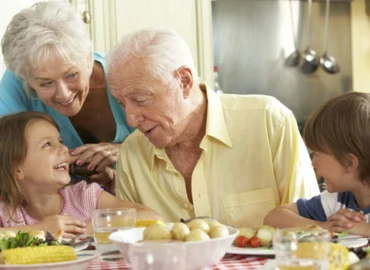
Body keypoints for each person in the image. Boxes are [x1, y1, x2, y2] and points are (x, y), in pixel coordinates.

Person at [106, 28, 319, 228]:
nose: (131, 120)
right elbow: (131, 250)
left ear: (184, 82)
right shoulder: (132, 153)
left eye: (141, 99)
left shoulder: (269, 121)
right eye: (122, 104)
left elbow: (309, 231)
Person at [0, 1, 134, 191]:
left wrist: (127, 151)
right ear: (27, 79)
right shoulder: (17, 82)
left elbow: (179, 142)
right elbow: (6, 159)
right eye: (46, 83)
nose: (64, 94)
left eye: (72, 75)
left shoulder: (126, 77)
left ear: (87, 59)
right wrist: (81, 165)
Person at [0, 111, 161, 238]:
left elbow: (152, 216)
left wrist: (88, 229)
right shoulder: (6, 212)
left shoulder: (85, 196)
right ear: (17, 169)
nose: (64, 149)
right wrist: (39, 230)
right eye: (47, 144)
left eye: (60, 141)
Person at [264, 92, 370, 237]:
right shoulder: (336, 200)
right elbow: (273, 218)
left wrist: (366, 230)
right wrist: (323, 226)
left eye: (318, 154)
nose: (313, 163)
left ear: (349, 163)